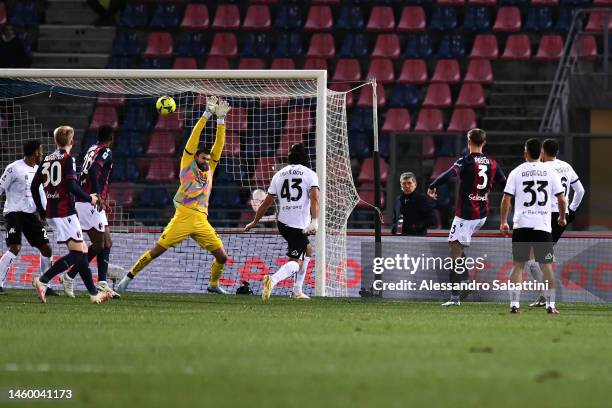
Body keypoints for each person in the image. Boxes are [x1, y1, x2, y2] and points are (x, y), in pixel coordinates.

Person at [116, 96, 231, 294]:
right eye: (203, 157)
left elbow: (218, 147)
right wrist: (206, 115)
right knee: (157, 251)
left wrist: (220, 121)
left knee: (222, 257)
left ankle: (213, 285)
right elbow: (193, 139)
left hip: (202, 219)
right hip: (184, 216)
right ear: (195, 156)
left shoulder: (210, 168)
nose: (207, 159)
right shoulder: (187, 164)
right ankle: (128, 277)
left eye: (208, 158)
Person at [30, 126, 112, 304]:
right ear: (70, 142)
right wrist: (89, 198)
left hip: (51, 211)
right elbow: (72, 187)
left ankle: (93, 293)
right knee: (79, 253)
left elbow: (33, 187)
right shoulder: (68, 159)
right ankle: (43, 280)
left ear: (55, 141)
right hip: (65, 211)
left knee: (81, 251)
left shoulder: (46, 159)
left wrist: (42, 210)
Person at [428, 128, 506, 307]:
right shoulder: (493, 163)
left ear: (468, 142)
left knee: (454, 253)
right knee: (458, 248)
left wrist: (433, 185)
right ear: (484, 143)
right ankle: (465, 282)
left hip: (466, 216)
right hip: (482, 215)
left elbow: (450, 174)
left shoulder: (466, 161)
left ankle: (456, 296)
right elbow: (505, 185)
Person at [244, 143, 319, 300]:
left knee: (308, 250)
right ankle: (273, 280)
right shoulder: (310, 174)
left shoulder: (279, 174)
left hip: (283, 223)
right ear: (306, 158)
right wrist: (315, 220)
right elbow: (314, 198)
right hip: (298, 225)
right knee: (296, 262)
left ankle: (297, 290)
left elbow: (266, 203)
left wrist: (254, 222)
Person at [500, 138, 567, 314]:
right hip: (543, 226)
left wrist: (503, 221)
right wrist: (561, 217)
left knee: (518, 266)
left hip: (522, 224)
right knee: (546, 266)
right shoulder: (550, 172)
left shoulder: (516, 172)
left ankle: (514, 304)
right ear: (541, 153)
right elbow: (561, 198)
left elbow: (506, 199)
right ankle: (550, 305)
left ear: (525, 153)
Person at [62, 125, 122, 299]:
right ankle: (69, 275)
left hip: (88, 201)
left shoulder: (92, 148)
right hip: (90, 202)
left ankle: (102, 283)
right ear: (111, 139)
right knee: (99, 245)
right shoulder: (106, 152)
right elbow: (95, 170)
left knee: (107, 243)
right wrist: (97, 195)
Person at [528, 138, 586, 307]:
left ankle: (546, 295)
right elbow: (580, 190)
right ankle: (543, 296)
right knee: (542, 256)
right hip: (562, 215)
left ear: (542, 152)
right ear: (557, 152)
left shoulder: (541, 168)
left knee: (532, 259)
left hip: (545, 215)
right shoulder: (566, 167)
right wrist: (572, 210)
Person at [0, 140, 57, 295]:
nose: (42, 153)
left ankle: (46, 283)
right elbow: (1, 187)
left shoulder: (39, 170)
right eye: (40, 150)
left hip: (31, 215)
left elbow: (41, 194)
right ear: (34, 152)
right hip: (14, 213)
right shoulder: (13, 168)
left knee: (47, 248)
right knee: (15, 247)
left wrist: (46, 212)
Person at [390, 172, 436, 236]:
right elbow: (394, 219)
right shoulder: (398, 200)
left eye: (409, 183)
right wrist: (394, 228)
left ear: (415, 185)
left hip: (417, 239)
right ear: (401, 185)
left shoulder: (423, 199)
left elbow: (432, 219)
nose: (406, 186)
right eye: (404, 183)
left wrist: (417, 226)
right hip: (399, 238)